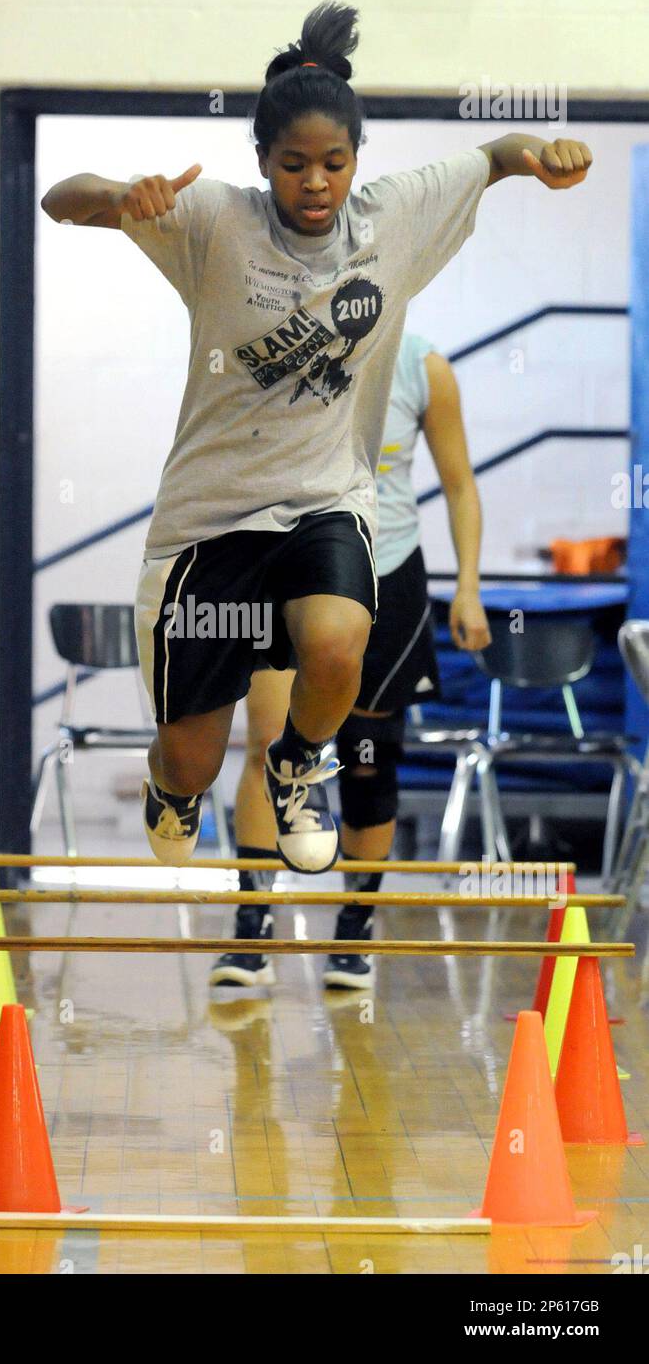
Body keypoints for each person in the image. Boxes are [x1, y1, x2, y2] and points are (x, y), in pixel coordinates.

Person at [41, 1, 592, 886]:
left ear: (355, 163)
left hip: (324, 501)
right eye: (293, 165)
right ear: (261, 163)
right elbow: (58, 198)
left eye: (333, 164)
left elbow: (492, 157)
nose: (315, 183)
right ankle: (171, 788)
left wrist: (542, 156)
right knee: (190, 754)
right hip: (209, 524)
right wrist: (117, 197)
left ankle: (300, 764)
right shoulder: (215, 223)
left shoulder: (391, 220)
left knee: (339, 643)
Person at [210, 332, 492, 989]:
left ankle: (354, 929)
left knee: (369, 757)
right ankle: (251, 929)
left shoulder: (425, 370)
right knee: (268, 746)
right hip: (287, 564)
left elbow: (458, 485)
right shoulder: (273, 349)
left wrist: (471, 587)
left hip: (387, 571)